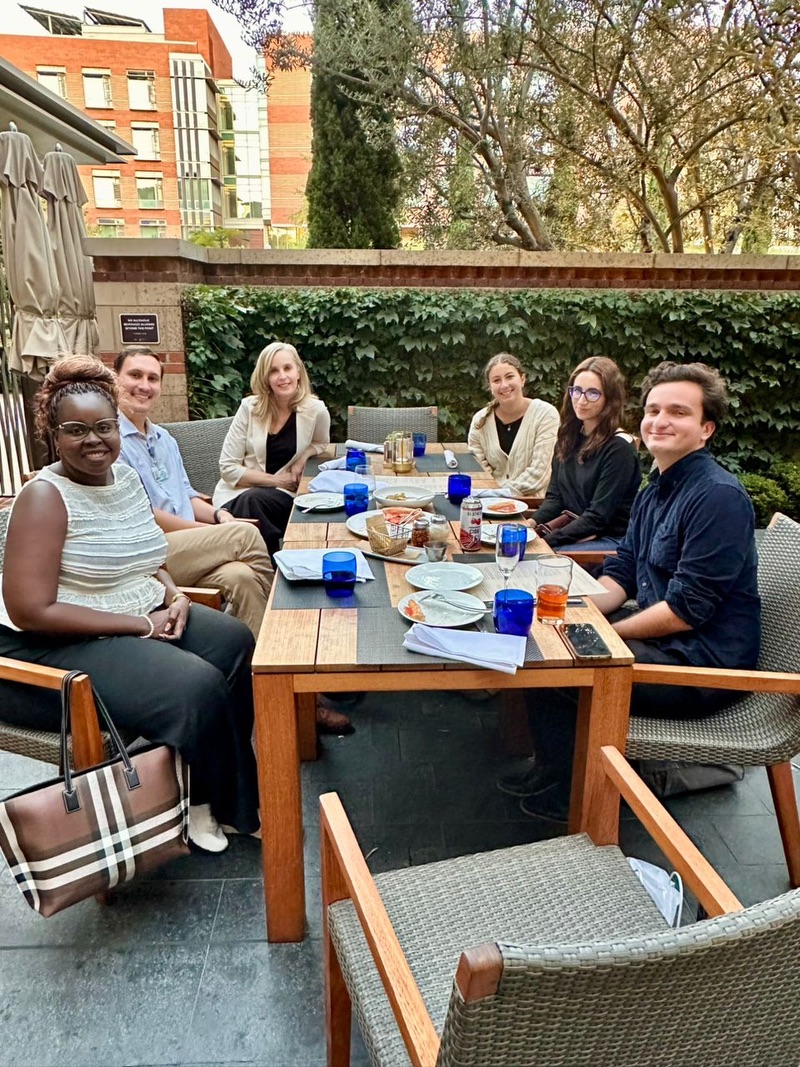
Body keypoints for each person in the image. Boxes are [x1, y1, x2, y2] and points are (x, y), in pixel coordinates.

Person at [0, 355, 259, 853]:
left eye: (104, 426)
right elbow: (31, 610)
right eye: (77, 429)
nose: (94, 439)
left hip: (131, 611)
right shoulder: (44, 497)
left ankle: (215, 787)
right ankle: (204, 805)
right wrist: (141, 623)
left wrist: (176, 595)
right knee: (195, 682)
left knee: (234, 640)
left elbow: (150, 556)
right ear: (53, 433)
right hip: (50, 645)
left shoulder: (125, 481)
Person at [500, 361, 761, 819]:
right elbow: (624, 570)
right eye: (655, 409)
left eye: (678, 412)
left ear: (706, 429)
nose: (660, 420)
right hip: (662, 642)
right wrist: (578, 607)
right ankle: (555, 769)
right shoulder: (654, 489)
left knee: (564, 663)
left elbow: (686, 610)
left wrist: (605, 632)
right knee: (545, 636)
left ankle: (576, 793)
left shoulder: (718, 497)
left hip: (701, 667)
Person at [113, 346, 273, 640]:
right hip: (152, 556)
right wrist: (208, 532)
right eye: (135, 375)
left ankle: (257, 672)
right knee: (245, 535)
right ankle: (285, 629)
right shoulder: (109, 441)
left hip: (188, 552)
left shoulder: (165, 439)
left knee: (243, 577)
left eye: (153, 378)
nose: (144, 386)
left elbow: (185, 494)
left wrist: (219, 515)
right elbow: (143, 515)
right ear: (115, 379)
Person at [213, 341, 331, 558]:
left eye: (287, 368)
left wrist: (303, 456)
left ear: (298, 372)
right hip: (238, 496)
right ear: (265, 378)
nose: (282, 376)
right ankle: (272, 566)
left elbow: (321, 443)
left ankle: (268, 567)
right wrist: (276, 481)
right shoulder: (249, 408)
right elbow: (227, 468)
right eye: (274, 371)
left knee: (259, 501)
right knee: (253, 500)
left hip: (284, 498)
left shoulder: (316, 411)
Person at [530, 356, 641, 551]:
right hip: (574, 530)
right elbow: (556, 498)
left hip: (610, 541)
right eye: (577, 390)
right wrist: (530, 524)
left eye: (593, 393)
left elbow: (598, 517)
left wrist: (546, 542)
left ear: (610, 399)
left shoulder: (619, 448)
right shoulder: (568, 438)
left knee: (534, 556)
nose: (581, 400)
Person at [467, 353, 559, 498]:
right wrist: (491, 495)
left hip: (532, 505)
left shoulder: (546, 415)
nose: (504, 385)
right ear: (490, 387)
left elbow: (540, 473)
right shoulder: (480, 421)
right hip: (489, 501)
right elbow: (479, 470)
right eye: (496, 380)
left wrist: (501, 494)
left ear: (522, 379)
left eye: (510, 377)